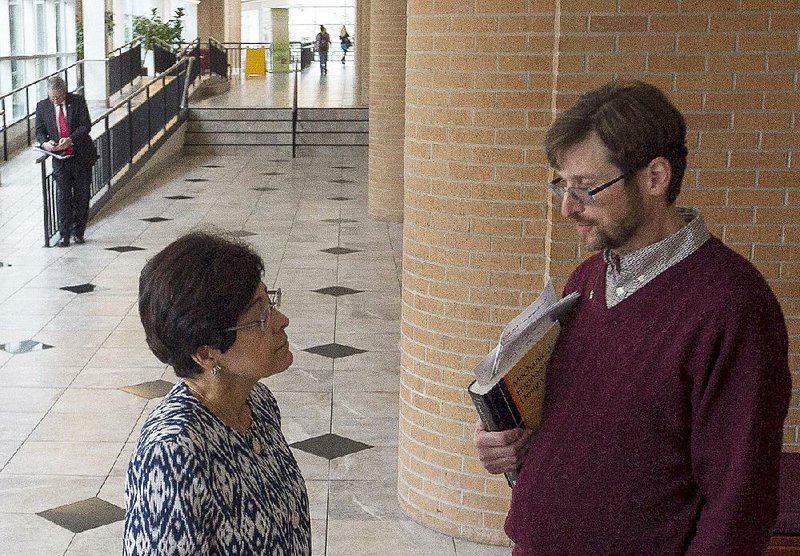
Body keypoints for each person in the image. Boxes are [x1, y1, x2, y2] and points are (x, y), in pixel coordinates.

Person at [474, 81, 791, 555]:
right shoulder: (586, 279)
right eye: (561, 185)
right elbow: (593, 420)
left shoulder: (733, 308)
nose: (567, 207)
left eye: (585, 188)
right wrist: (513, 440)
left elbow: (738, 505)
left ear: (655, 176)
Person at [124, 232, 311, 555]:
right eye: (260, 318)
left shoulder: (258, 403)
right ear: (207, 353)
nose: (282, 321)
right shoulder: (172, 455)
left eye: (271, 302)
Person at [35, 76, 98, 247]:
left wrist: (70, 139)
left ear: (64, 91)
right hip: (60, 160)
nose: (56, 100)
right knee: (62, 197)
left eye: (59, 97)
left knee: (81, 196)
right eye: (52, 97)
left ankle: (78, 232)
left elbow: (86, 126)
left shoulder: (77, 101)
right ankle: (64, 235)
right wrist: (44, 143)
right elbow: (39, 131)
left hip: (80, 157)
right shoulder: (42, 106)